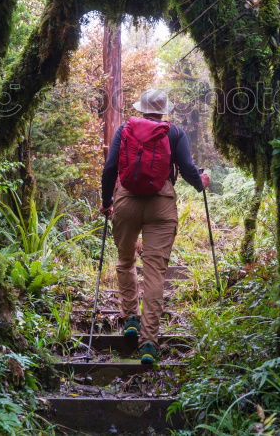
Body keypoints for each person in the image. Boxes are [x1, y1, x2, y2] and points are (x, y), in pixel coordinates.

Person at [100, 89, 210, 365]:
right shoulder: (174, 133)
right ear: (163, 111)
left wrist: (106, 201)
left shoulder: (125, 129)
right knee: (155, 272)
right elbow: (186, 167)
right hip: (161, 203)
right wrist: (201, 182)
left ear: (141, 108)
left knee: (125, 261)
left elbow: (110, 168)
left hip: (126, 200)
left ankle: (130, 318)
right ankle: (149, 342)